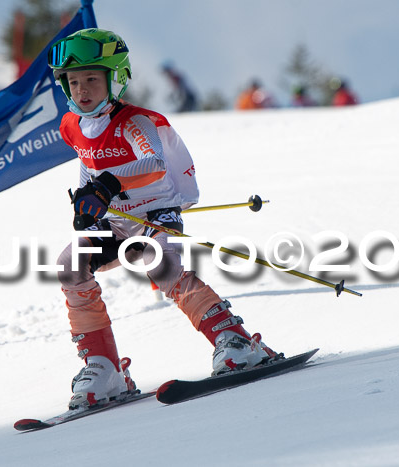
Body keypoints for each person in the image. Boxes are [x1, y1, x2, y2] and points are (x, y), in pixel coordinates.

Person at [47, 28, 278, 410]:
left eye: (92, 78)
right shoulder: (72, 125)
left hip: (156, 211)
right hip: (117, 219)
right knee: (70, 264)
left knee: (161, 265)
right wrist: (85, 204)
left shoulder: (136, 122)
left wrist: (105, 186)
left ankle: (235, 340)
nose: (82, 89)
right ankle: (103, 367)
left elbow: (154, 165)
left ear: (115, 79)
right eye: (74, 82)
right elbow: (88, 166)